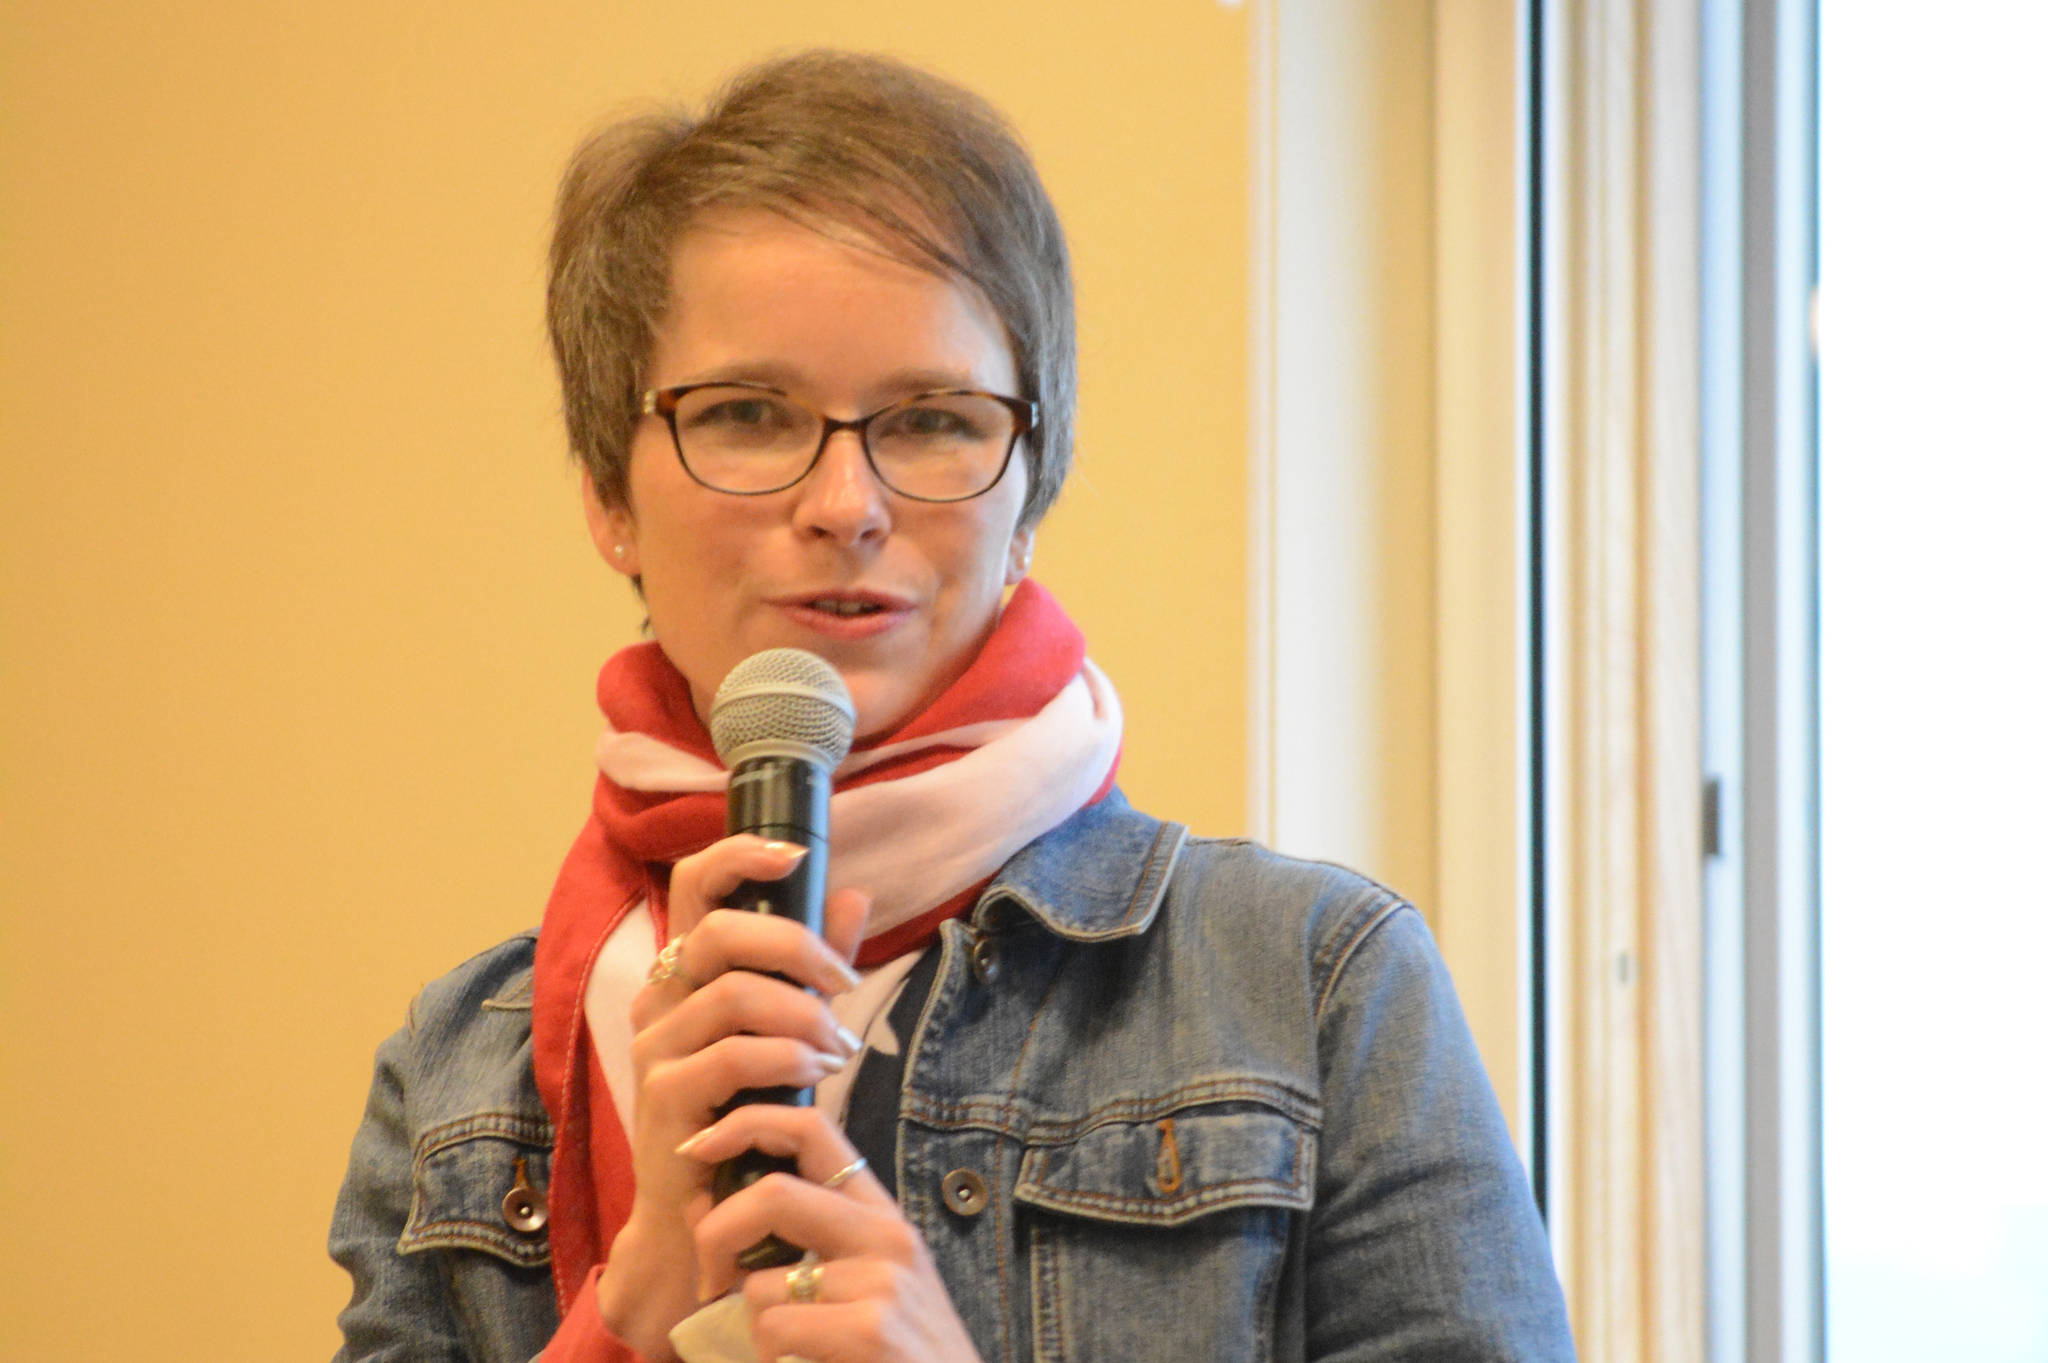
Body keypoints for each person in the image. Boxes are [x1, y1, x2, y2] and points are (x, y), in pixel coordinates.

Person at [328, 50, 1576, 1363]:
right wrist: (625, 1318)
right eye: (750, 413)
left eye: (931, 421)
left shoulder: (1315, 987)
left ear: (1029, 492)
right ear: (607, 498)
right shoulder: (462, 1074)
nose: (847, 504)